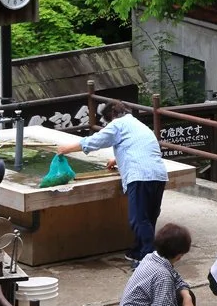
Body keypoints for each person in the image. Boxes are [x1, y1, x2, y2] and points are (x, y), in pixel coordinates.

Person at [54, 113, 168, 265]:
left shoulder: (118, 124)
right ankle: (138, 251)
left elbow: (96, 141)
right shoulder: (139, 125)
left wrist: (67, 149)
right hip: (159, 174)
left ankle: (149, 259)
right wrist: (117, 159)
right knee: (149, 216)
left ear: (112, 117)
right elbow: (141, 147)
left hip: (139, 175)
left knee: (139, 219)